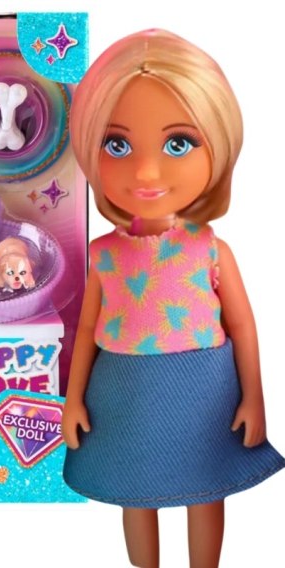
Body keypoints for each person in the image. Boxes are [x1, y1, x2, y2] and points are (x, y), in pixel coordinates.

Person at [61, 29, 285, 568]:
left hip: (205, 390)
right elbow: (86, 329)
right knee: (136, 493)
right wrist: (73, 399)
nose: (145, 172)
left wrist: (254, 399)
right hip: (125, 389)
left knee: (206, 489)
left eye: (178, 143)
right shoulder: (103, 254)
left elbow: (244, 326)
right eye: (116, 145)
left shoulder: (210, 249)